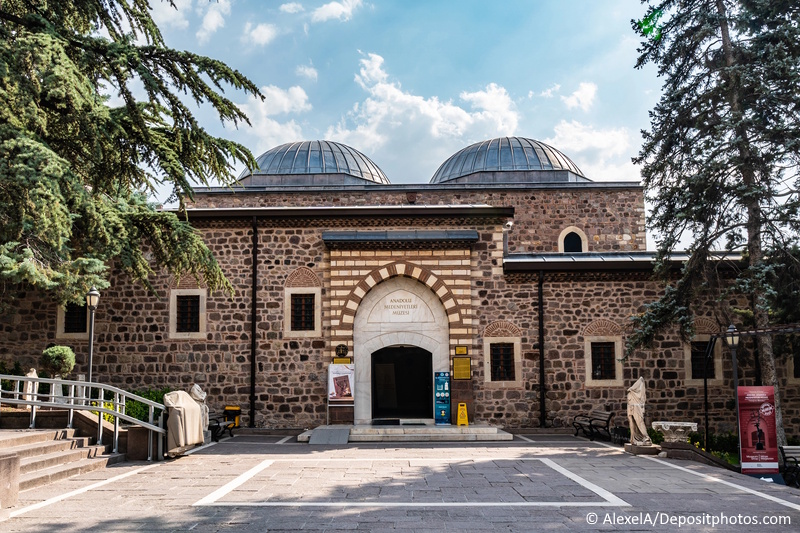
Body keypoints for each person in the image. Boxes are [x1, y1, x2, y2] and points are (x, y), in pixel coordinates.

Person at [627, 376, 652, 446]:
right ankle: (634, 438)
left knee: (640, 422)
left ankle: (646, 437)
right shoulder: (631, 393)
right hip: (631, 408)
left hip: (637, 409)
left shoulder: (638, 393)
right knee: (632, 424)